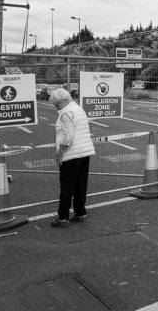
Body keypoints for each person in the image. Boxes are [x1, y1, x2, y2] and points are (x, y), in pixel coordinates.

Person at [49, 88, 95, 227]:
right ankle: (81, 212)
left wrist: (59, 153)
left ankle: (63, 217)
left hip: (71, 155)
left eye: (57, 104)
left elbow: (68, 138)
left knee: (67, 186)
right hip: (84, 153)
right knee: (80, 184)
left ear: (64, 101)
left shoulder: (66, 113)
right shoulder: (78, 109)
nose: (55, 107)